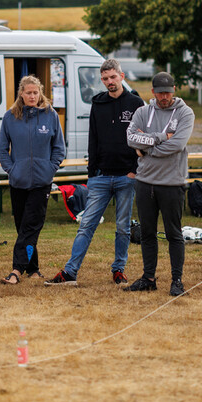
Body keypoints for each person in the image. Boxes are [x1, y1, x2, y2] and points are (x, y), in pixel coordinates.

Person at [46, 59, 144, 287]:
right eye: (106, 78)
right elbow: (94, 139)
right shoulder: (97, 103)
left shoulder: (136, 103)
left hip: (125, 178)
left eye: (113, 77)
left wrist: (133, 171)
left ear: (121, 76)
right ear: (102, 80)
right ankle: (70, 272)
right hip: (100, 177)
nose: (110, 82)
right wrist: (92, 174)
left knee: (123, 227)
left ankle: (118, 270)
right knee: (87, 224)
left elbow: (143, 140)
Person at [125, 72, 195, 297]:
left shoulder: (185, 113)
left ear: (174, 90)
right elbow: (130, 138)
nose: (165, 97)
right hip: (145, 181)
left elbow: (178, 144)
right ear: (153, 92)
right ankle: (148, 277)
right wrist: (160, 138)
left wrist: (146, 148)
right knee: (147, 233)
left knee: (174, 233)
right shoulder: (143, 111)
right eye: (160, 93)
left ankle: (177, 280)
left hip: (172, 182)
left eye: (168, 92)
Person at [0, 75, 65, 285]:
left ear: (40, 93)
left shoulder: (50, 115)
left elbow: (59, 148)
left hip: (41, 182)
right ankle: (33, 269)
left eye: (36, 92)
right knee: (23, 226)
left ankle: (16, 270)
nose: (32, 96)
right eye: (28, 92)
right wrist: (12, 169)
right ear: (22, 94)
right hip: (18, 182)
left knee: (30, 226)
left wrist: (49, 169)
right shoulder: (10, 117)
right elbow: (2, 149)